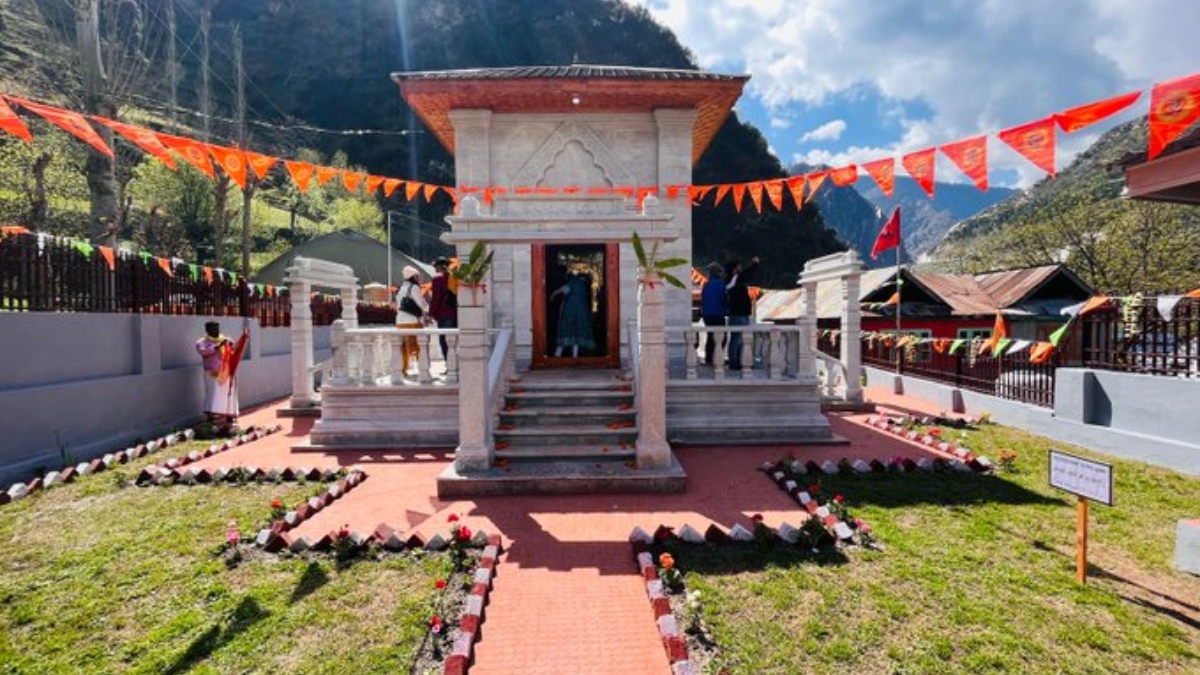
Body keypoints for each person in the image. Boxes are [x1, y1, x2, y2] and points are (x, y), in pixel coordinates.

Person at [195, 321, 247, 433]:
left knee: (228, 394)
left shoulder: (225, 339)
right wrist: (220, 345)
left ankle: (228, 415)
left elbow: (234, 349)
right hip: (212, 373)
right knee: (214, 395)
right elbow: (204, 352)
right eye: (214, 329)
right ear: (207, 330)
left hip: (226, 372)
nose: (217, 331)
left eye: (217, 328)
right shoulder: (202, 342)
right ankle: (213, 417)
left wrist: (243, 338)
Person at [550, 266, 595, 359]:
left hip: (569, 312)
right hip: (582, 313)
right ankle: (575, 356)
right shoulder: (584, 286)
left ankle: (557, 355)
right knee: (577, 333)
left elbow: (561, 290)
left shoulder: (574, 282)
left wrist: (552, 296)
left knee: (565, 331)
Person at [725, 256, 760, 370]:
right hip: (737, 314)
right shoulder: (732, 280)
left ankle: (739, 362)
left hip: (742, 313)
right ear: (734, 269)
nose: (740, 268)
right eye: (739, 267)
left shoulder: (735, 280)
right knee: (736, 339)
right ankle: (733, 363)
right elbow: (746, 274)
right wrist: (754, 264)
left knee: (740, 340)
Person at [395, 265, 429, 375]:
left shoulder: (401, 288)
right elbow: (422, 304)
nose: (418, 278)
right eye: (417, 276)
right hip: (413, 320)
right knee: (418, 346)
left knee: (403, 347)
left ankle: (403, 370)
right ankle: (423, 370)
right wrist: (430, 310)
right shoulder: (414, 288)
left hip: (400, 321)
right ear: (412, 276)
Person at [427, 256, 458, 361]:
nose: (435, 268)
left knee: (444, 341)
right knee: (454, 342)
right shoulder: (455, 278)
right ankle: (455, 365)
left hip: (444, 315)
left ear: (440, 266)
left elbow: (436, 299)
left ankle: (449, 365)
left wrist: (430, 314)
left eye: (436, 266)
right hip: (456, 313)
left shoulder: (437, 279)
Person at [700, 262, 728, 366]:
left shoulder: (706, 284)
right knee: (722, 337)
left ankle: (709, 359)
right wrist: (727, 309)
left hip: (707, 315)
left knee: (710, 336)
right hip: (717, 314)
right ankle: (718, 357)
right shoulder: (720, 284)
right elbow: (723, 298)